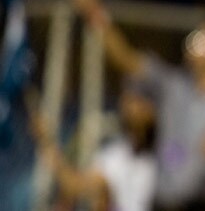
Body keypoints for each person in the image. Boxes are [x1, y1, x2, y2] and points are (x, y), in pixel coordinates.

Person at [70, 0, 205, 210]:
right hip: (161, 203)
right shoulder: (174, 87)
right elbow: (126, 59)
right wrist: (94, 13)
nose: (199, 45)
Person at [30, 77, 158, 211]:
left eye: (135, 100)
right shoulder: (119, 153)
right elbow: (74, 187)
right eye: (127, 99)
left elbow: (73, 186)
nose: (126, 105)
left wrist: (45, 140)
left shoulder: (147, 154)